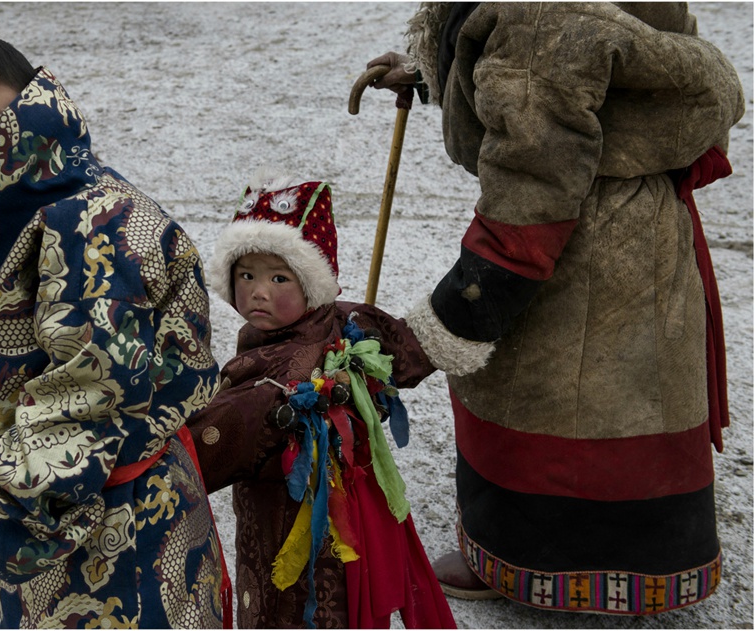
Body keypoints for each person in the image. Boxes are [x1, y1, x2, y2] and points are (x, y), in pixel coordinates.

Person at [363, 2, 746, 615]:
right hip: (642, 224)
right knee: (629, 394)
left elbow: (532, 189)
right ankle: (641, 566)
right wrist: (445, 73)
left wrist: (442, 327)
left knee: (540, 390)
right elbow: (599, 71)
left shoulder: (538, 12)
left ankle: (528, 562)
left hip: (575, 236)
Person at [0, 33, 231, 628]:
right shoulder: (23, 216)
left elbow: (87, 393)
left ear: (34, 99)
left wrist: (11, 525)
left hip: (111, 520)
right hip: (74, 512)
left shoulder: (87, 223)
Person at [186, 168, 456, 629]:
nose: (258, 291)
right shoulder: (351, 323)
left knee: (286, 603)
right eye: (246, 274)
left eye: (280, 279)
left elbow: (208, 442)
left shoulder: (273, 381)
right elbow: (412, 348)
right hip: (352, 518)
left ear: (313, 285)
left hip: (290, 523)